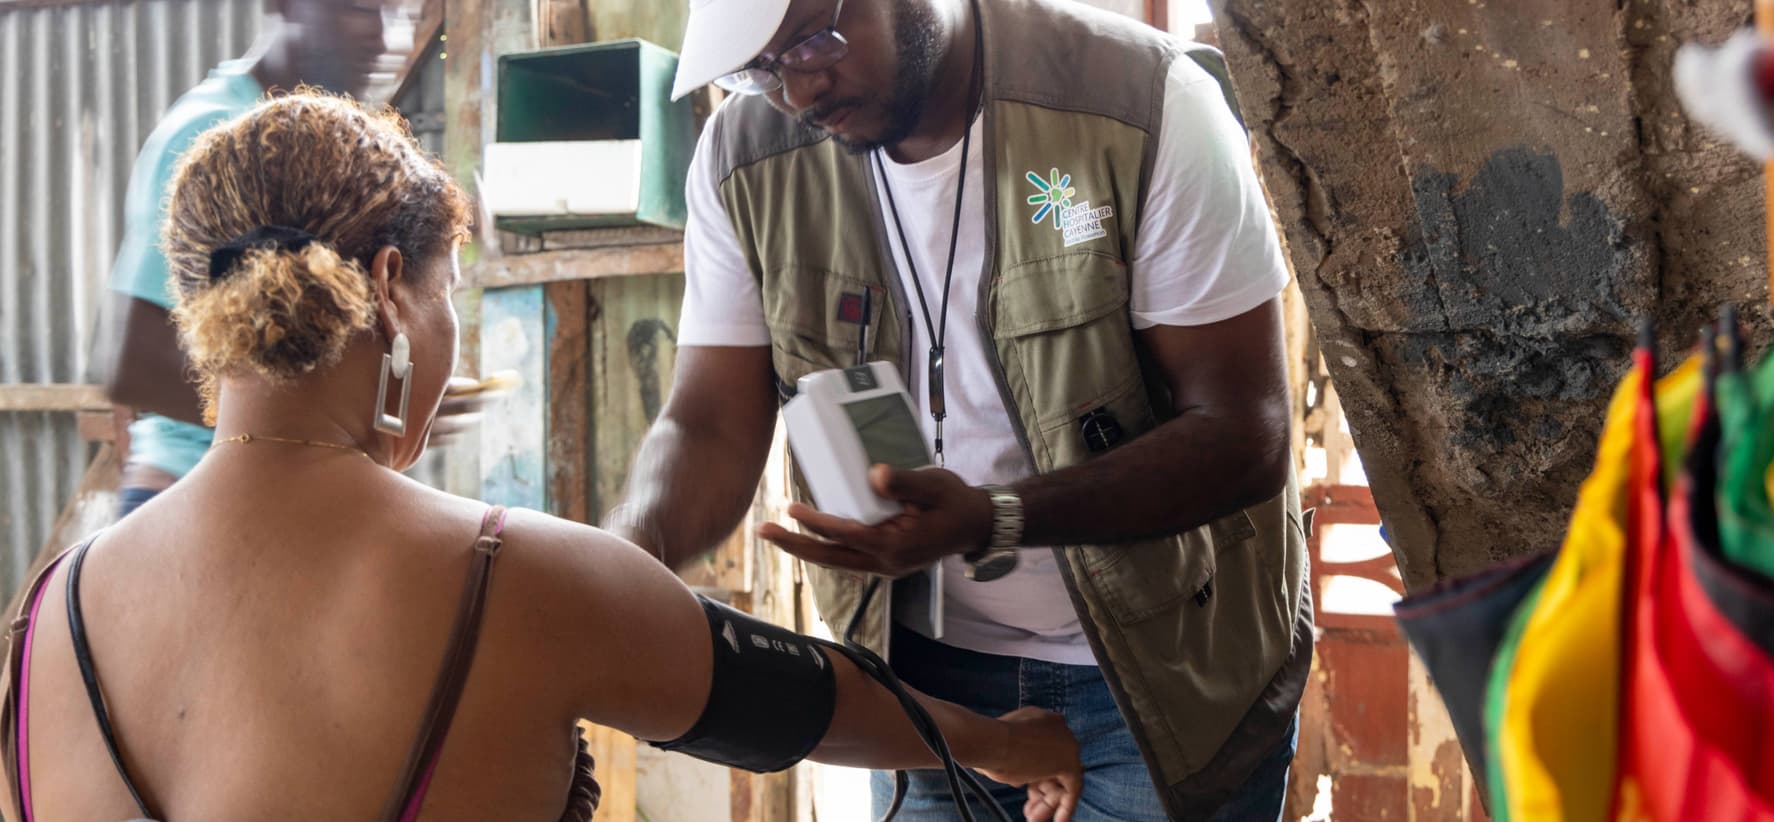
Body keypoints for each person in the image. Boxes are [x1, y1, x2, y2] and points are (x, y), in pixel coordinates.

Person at [4, 91, 1082, 821]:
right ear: (391, 289)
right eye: (450, 295)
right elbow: (805, 702)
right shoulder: (508, 576)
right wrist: (1008, 741)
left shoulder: (47, 614)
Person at [607, 0, 1314, 819]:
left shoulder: (1142, 101)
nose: (797, 93)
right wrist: (619, 563)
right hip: (920, 687)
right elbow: (709, 424)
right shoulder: (745, 157)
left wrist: (994, 518)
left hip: (1171, 674)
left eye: (808, 42)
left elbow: (1243, 433)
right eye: (757, 69)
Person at [97, 0, 481, 518]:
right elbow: (132, 364)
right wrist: (334, 414)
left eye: (400, 14)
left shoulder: (324, 150)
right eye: (359, 8)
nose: (387, 37)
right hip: (195, 495)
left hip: (283, 492)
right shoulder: (219, 136)